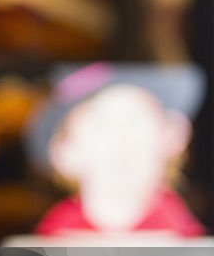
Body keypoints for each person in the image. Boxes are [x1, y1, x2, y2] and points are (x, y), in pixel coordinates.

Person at [26, 62, 207, 237]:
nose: (121, 138)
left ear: (174, 136)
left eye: (136, 120)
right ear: (62, 151)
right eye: (101, 123)